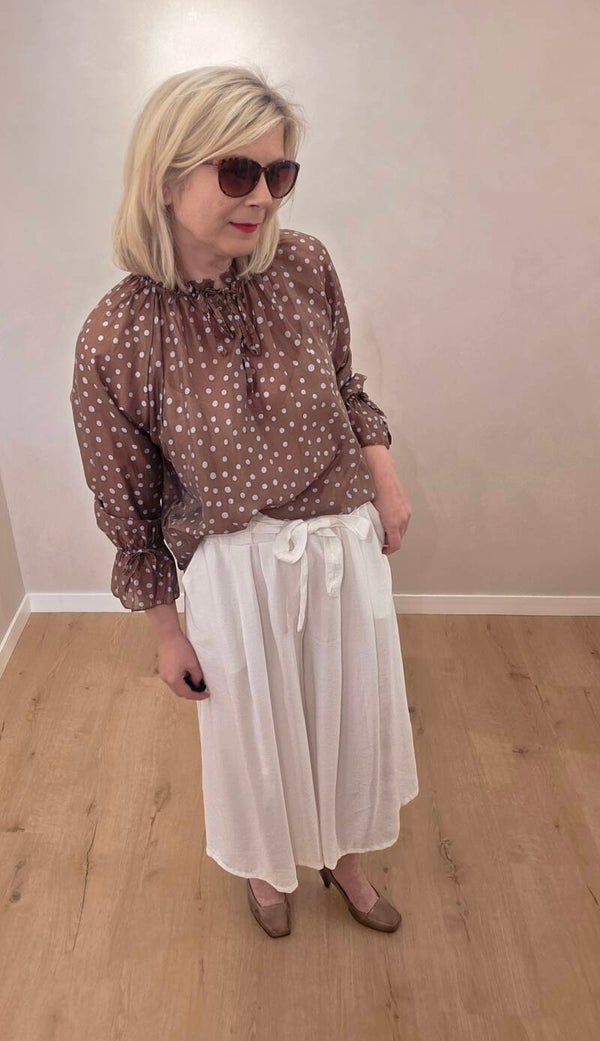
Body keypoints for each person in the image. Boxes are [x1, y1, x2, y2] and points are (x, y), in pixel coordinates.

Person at [70, 65, 419, 939]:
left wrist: (384, 475)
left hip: (341, 546)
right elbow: (128, 510)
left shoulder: (304, 266)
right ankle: (267, 867)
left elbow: (345, 385)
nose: (263, 195)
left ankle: (345, 855)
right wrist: (166, 633)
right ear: (166, 177)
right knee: (254, 742)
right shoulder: (118, 335)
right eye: (237, 171)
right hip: (234, 569)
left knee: (349, 717)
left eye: (279, 172)